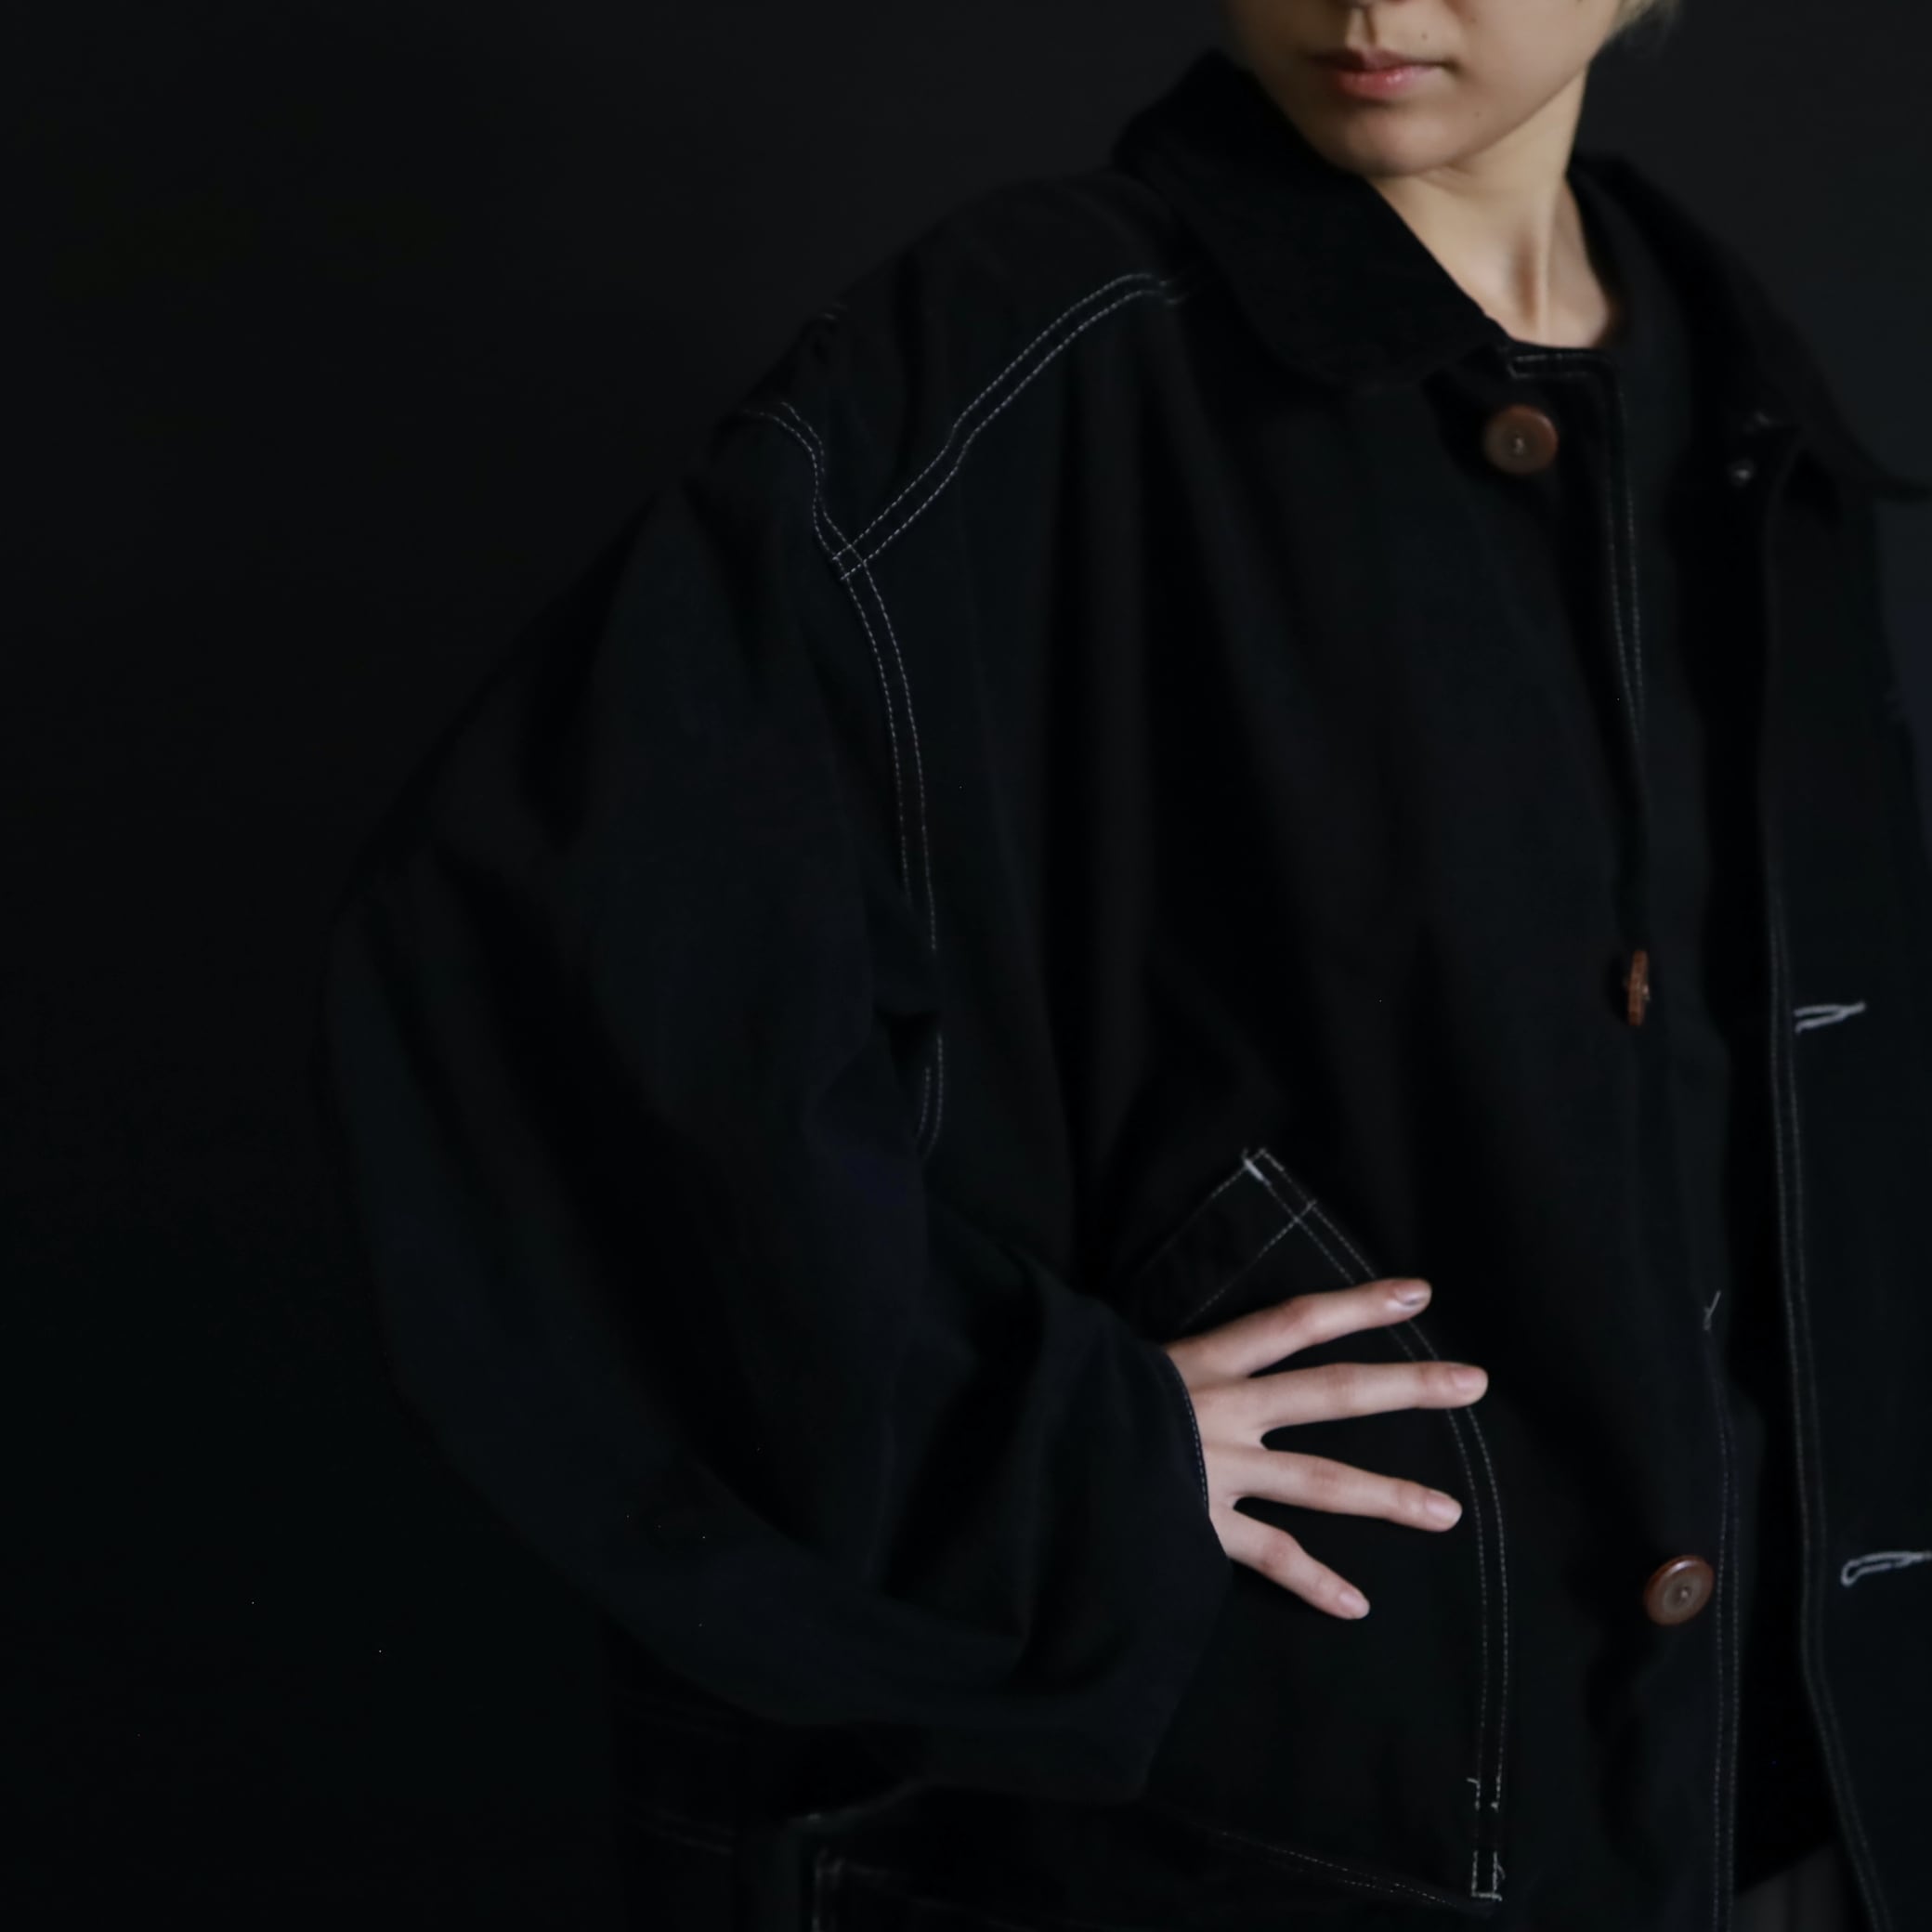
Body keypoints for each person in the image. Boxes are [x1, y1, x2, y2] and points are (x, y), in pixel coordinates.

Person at [312, 5, 1932, 1929]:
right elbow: (558, 979)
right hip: (1267, 1820)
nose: (1368, 9)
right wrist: (1036, 1445)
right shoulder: (1027, 348)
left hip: (1785, 1818)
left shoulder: (1736, 402)